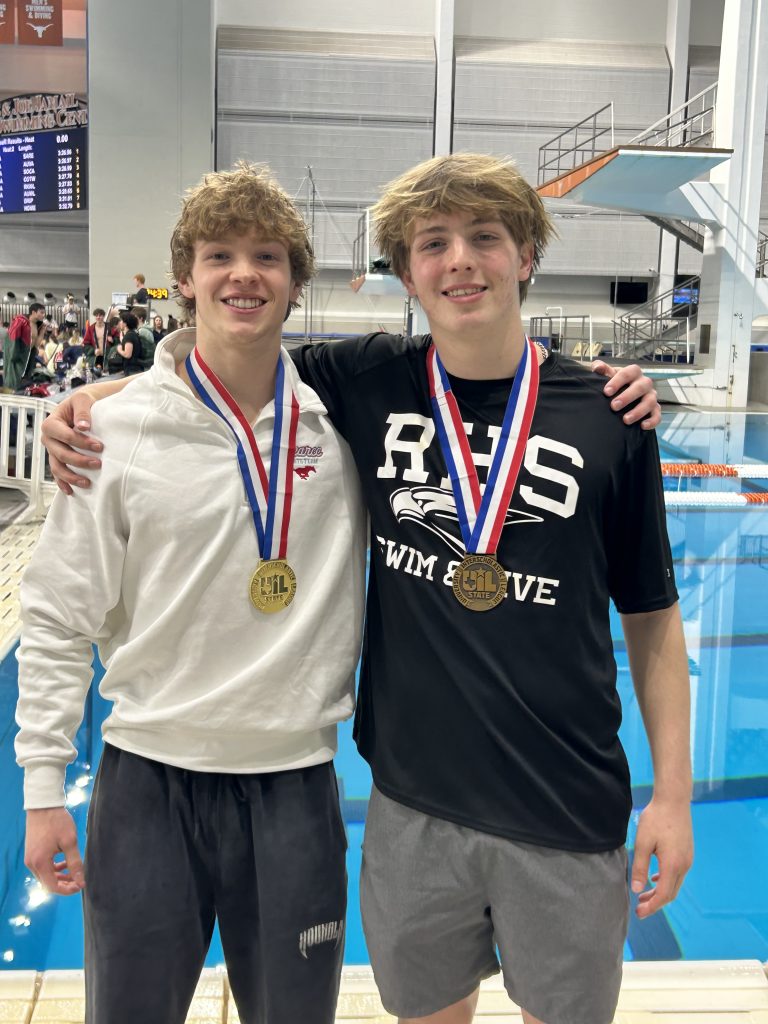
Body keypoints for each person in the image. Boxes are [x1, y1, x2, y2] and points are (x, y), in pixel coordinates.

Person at [38, 157, 676, 1024]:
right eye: (433, 244)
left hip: (544, 798)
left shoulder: (605, 413)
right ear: (406, 271)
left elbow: (653, 616)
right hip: (393, 804)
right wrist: (92, 403)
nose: (460, 260)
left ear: (527, 255)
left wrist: (671, 795)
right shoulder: (371, 382)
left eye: (485, 238)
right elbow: (214, 372)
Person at [16, 164, 367, 1024]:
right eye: (220, 255)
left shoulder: (345, 420)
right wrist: (42, 788)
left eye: (268, 256)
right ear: (186, 278)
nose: (244, 273)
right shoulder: (116, 430)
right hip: (147, 785)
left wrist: (606, 391)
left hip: (293, 784)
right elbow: (59, 613)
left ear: (294, 282)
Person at [4, 302, 45, 391]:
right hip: (17, 359)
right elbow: (12, 340)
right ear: (33, 312)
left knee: (23, 386)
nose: (43, 315)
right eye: (41, 312)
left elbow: (35, 345)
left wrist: (42, 333)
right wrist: (14, 356)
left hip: (28, 359)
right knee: (13, 385)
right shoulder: (20, 321)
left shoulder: (38, 325)